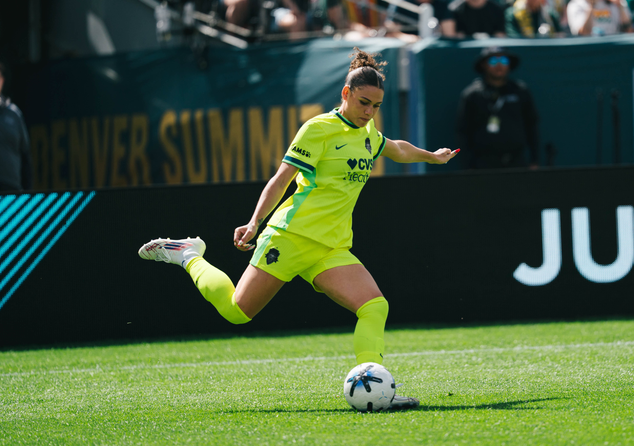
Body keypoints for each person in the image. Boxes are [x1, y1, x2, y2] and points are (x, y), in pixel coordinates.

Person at [138, 48, 459, 410]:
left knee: (374, 306)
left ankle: (376, 389)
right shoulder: (318, 128)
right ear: (346, 93)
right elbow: (280, 180)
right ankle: (188, 255)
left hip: (332, 247)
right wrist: (255, 222)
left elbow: (395, 149)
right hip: (290, 237)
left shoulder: (368, 132)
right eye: (364, 102)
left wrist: (430, 156)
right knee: (235, 313)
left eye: (377, 106)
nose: (369, 112)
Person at [456, 47, 539, 169]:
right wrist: (468, 166)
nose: (499, 65)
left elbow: (532, 126)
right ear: (484, 65)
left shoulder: (521, 91)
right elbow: (462, 132)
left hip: (516, 162)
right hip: (483, 164)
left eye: (504, 61)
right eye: (493, 61)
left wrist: (534, 160)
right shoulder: (472, 95)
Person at [0, 63, 32, 193]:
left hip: (12, 191)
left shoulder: (14, 113)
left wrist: (28, 193)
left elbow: (26, 157)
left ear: (2, 80)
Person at [566, 0, 633, 35]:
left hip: (613, 49)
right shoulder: (576, 5)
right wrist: (591, 6)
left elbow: (628, 30)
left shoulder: (616, 3)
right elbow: (583, 32)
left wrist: (619, 5)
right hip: (589, 52)